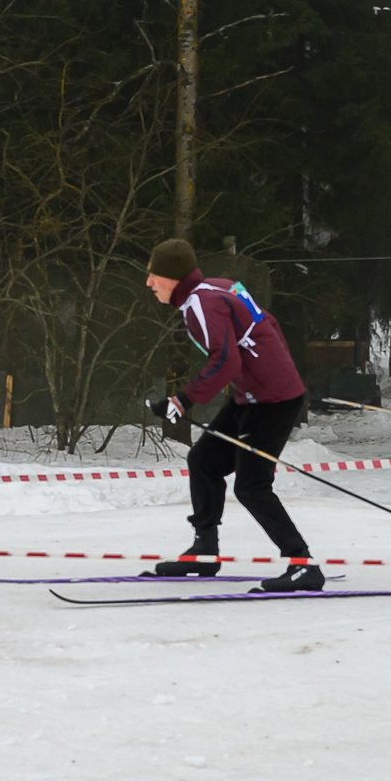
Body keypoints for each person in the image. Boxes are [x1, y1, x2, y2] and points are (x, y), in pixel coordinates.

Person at [144, 238, 323, 592]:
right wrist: (277, 368)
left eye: (154, 275)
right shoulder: (219, 286)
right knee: (204, 460)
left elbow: (226, 362)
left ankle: (304, 565)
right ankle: (204, 550)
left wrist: (182, 401)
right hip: (255, 395)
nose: (149, 282)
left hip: (271, 401)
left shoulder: (201, 304)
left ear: (174, 278)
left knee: (252, 486)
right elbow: (267, 322)